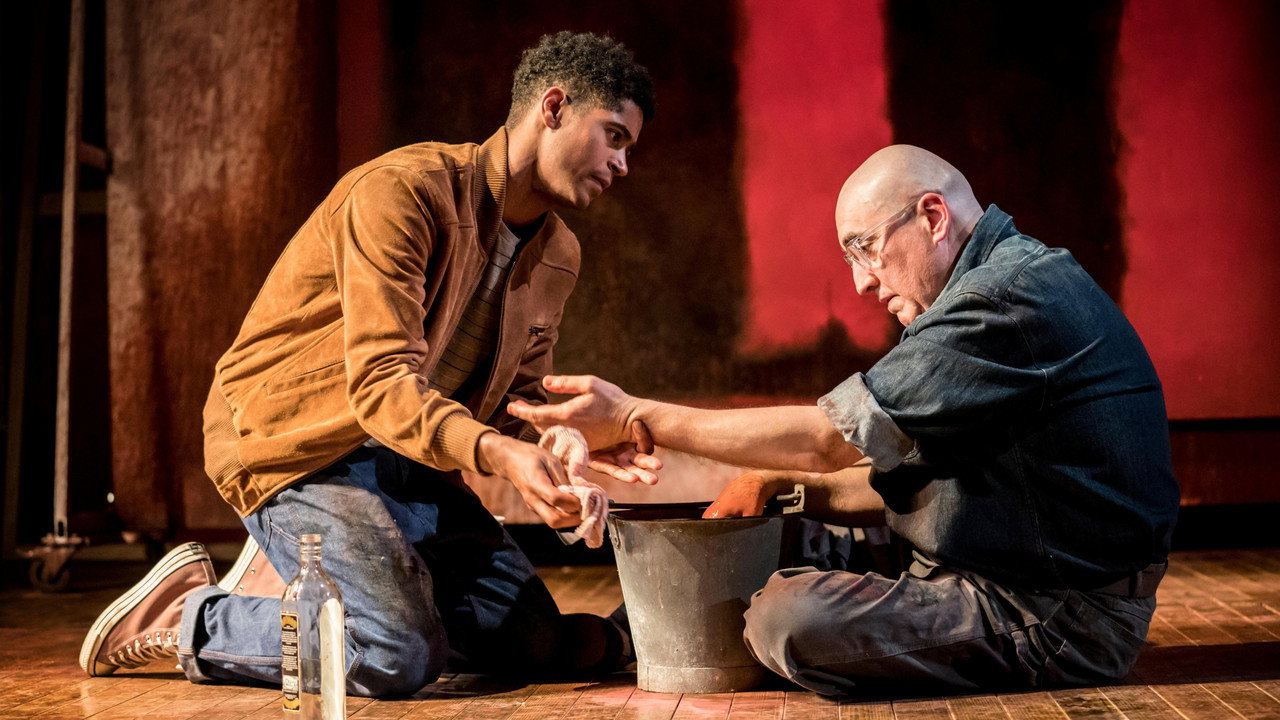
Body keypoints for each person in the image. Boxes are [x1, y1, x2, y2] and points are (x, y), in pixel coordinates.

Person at [80, 31, 660, 696]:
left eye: (629, 147)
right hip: (299, 446)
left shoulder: (558, 254)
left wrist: (558, 442)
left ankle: (328, 583)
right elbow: (382, 385)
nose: (622, 164)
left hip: (406, 458)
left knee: (533, 643)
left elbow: (514, 398)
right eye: (614, 136)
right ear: (553, 107)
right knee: (393, 651)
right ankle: (190, 616)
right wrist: (500, 456)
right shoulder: (404, 192)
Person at [508, 145, 1179, 695]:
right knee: (772, 529)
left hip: (1056, 611)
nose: (860, 281)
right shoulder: (989, 286)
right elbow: (911, 477)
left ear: (932, 216)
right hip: (976, 556)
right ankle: (626, 639)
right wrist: (788, 488)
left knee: (787, 620)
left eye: (864, 248)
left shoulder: (1004, 302)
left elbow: (828, 440)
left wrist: (635, 416)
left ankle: (732, 636)